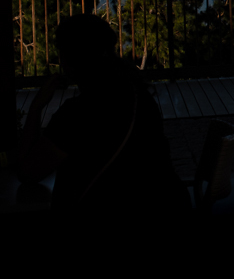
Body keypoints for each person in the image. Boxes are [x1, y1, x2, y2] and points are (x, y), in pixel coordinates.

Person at [18, 14, 188, 214]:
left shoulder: (77, 115)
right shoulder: (138, 97)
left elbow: (28, 172)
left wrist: (36, 107)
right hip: (163, 204)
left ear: (69, 61)